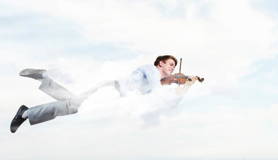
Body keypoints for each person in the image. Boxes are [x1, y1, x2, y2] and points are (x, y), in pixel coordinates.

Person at [10, 55, 178, 133]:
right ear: (161, 63)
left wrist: (171, 81)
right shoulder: (151, 70)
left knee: (72, 102)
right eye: (170, 64)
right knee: (72, 106)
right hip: (111, 89)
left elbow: (149, 92)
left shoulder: (153, 79)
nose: (172, 68)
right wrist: (175, 81)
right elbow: (156, 90)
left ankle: (44, 77)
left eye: (174, 66)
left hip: (113, 93)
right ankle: (25, 113)